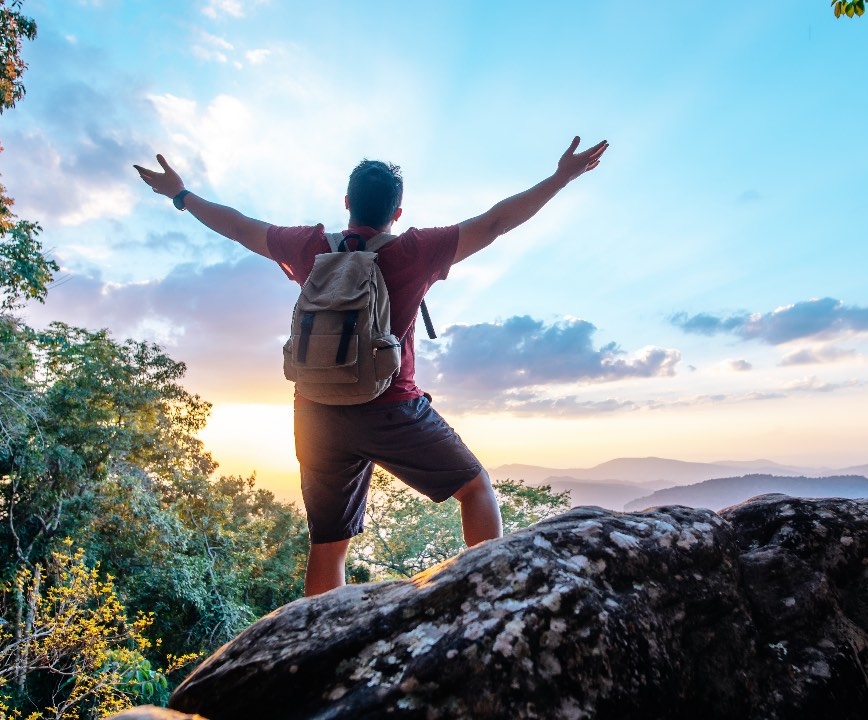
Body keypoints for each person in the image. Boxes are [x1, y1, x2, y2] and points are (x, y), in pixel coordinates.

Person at [134, 136, 608, 596]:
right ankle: (492, 602)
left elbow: (238, 226)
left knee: (328, 547)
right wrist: (561, 177)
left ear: (347, 202)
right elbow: (496, 222)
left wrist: (180, 194)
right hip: (393, 408)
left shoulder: (311, 245)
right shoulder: (414, 250)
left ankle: (316, 648)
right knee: (477, 488)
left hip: (316, 412)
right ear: (397, 213)